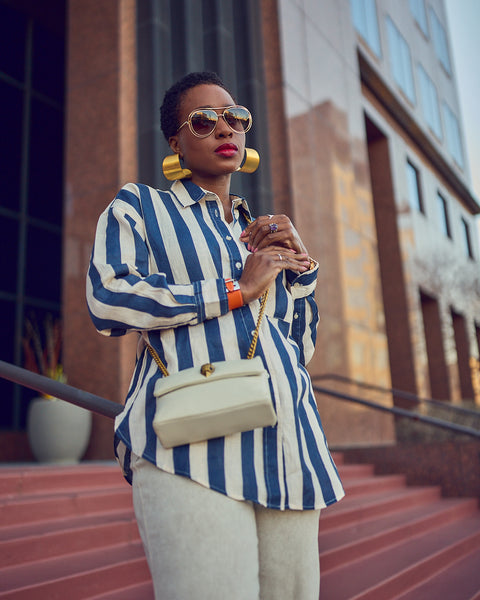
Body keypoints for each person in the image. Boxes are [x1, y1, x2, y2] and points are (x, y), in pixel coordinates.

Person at [87, 71, 344, 600]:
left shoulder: (260, 231)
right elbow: (107, 298)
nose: (225, 127)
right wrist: (234, 289)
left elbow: (300, 348)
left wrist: (300, 269)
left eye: (236, 117)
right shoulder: (141, 207)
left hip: (289, 447)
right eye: (203, 120)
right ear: (175, 142)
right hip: (189, 446)